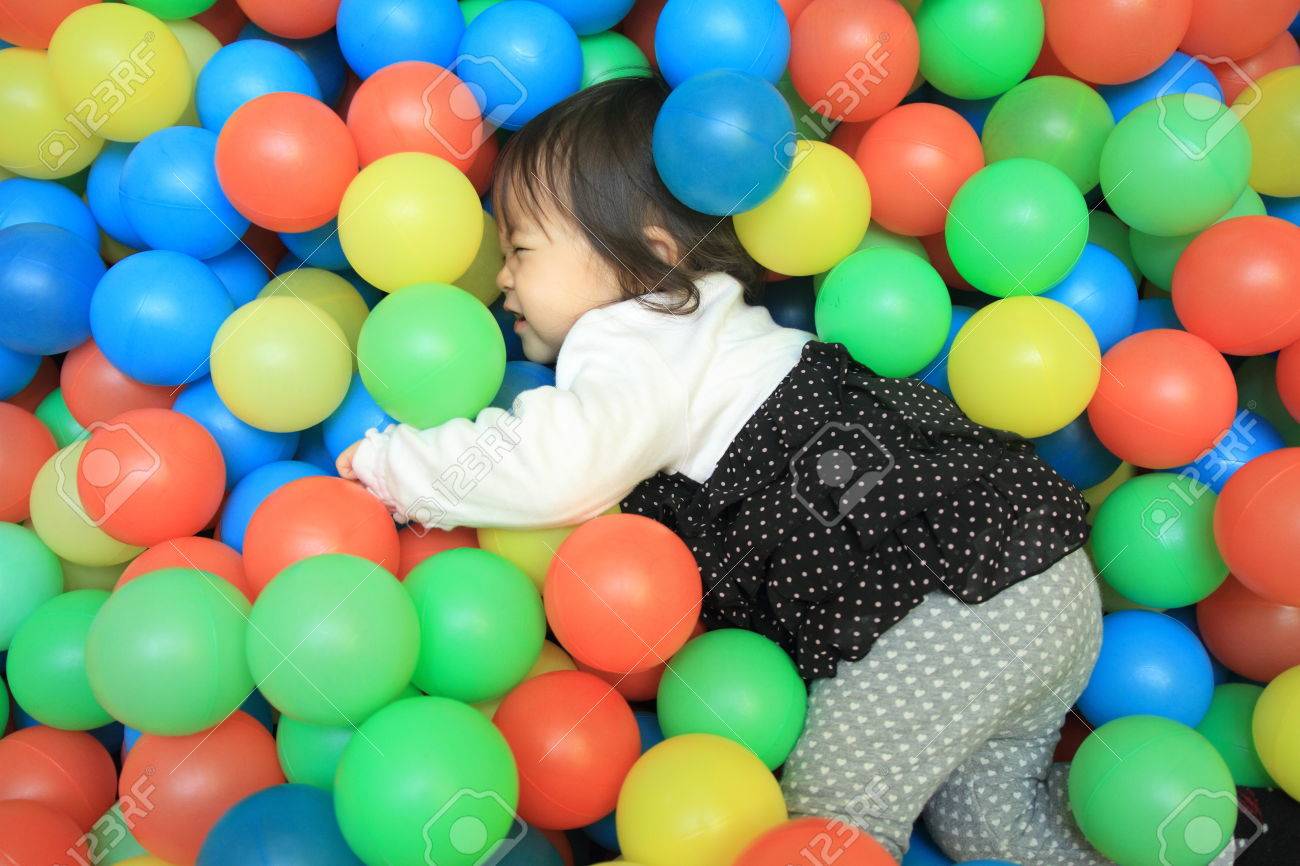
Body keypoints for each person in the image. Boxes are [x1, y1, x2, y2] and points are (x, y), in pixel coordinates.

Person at [336, 74, 1213, 865]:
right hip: (1031, 570)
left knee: (825, 827)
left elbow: (561, 465)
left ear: (643, 255)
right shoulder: (730, 328)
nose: (501, 283)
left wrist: (394, 467)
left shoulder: (638, 332)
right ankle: (1199, 844)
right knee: (990, 826)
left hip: (934, 612)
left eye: (521, 249)